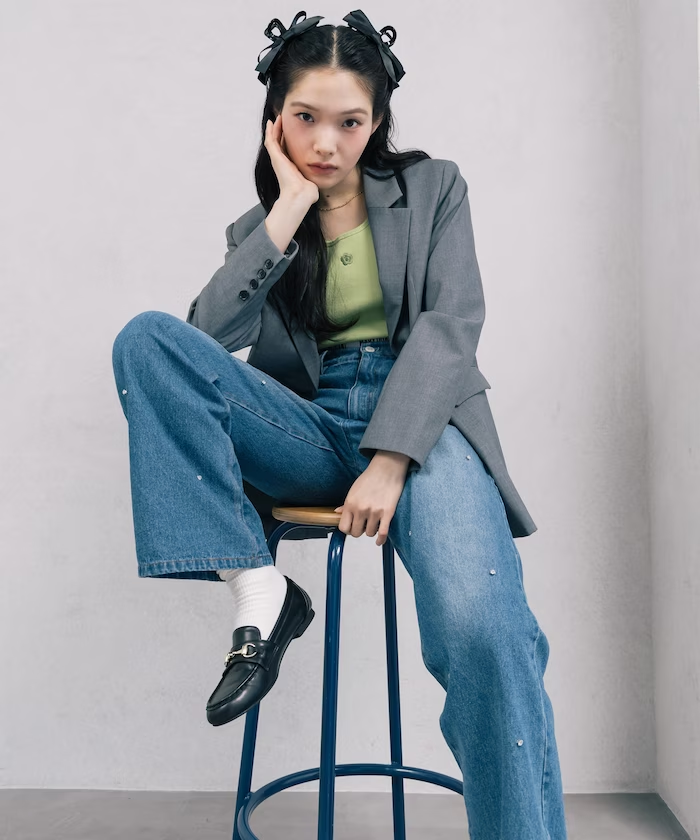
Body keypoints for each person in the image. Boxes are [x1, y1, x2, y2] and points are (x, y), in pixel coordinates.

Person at [111, 10, 568, 838]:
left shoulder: (433, 188)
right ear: (275, 119)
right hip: (311, 428)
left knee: (485, 630)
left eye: (350, 122)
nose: (326, 143)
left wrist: (390, 460)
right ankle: (258, 588)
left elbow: (450, 328)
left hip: (426, 426)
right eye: (305, 118)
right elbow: (200, 342)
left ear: (378, 119)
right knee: (146, 340)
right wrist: (287, 210)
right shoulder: (260, 230)